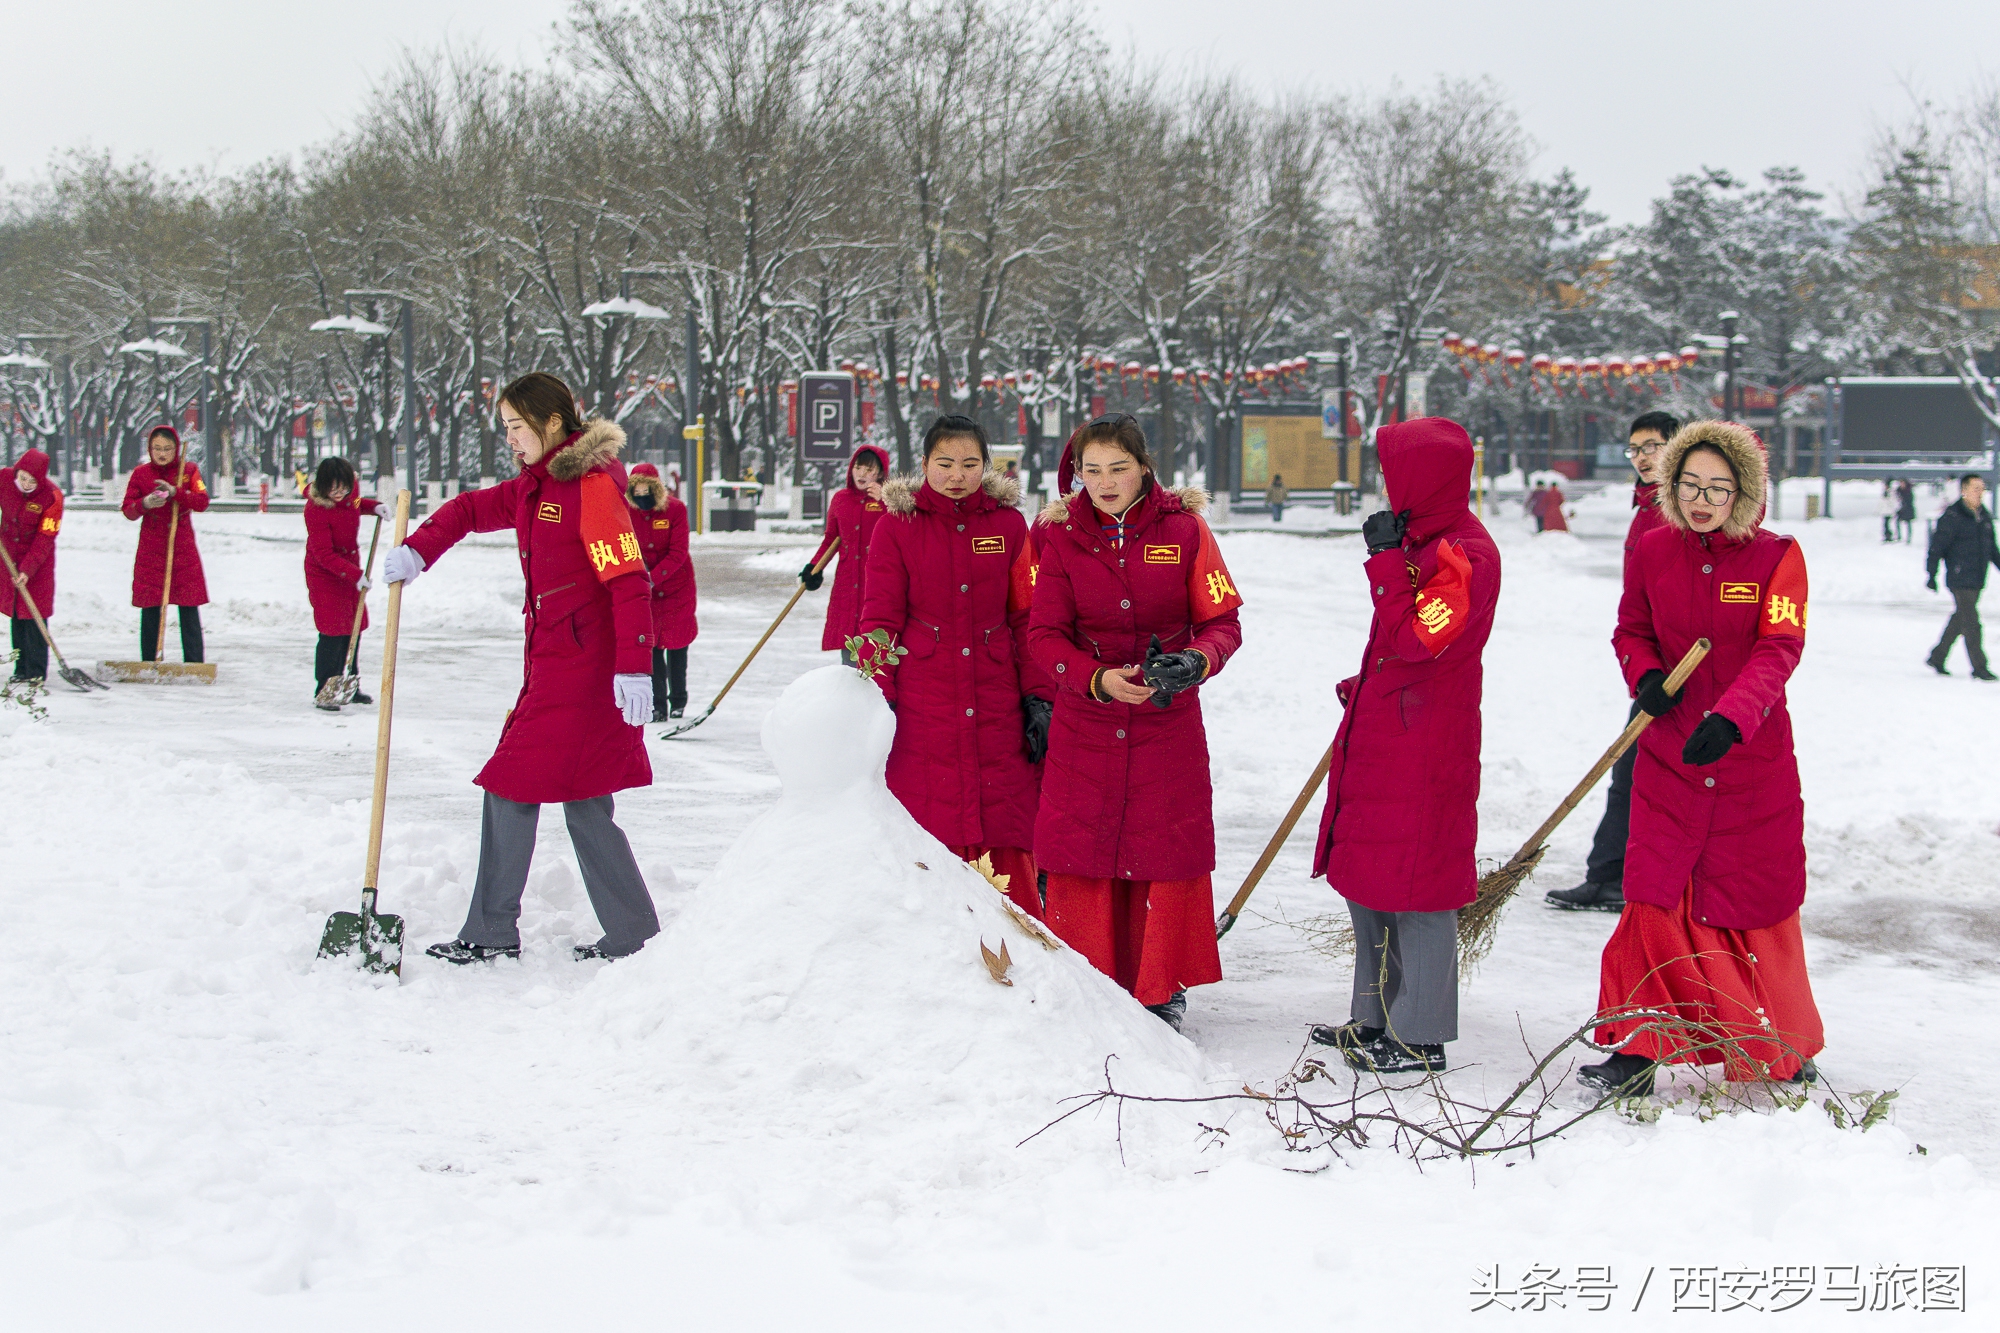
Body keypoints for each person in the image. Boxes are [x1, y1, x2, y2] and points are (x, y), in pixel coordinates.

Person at [383, 372, 662, 964]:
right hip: (557, 662)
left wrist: (635, 666)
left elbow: (628, 580)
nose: (510, 439)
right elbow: (468, 509)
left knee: (511, 783)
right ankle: (636, 934)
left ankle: (491, 930)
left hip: (584, 673)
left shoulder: (590, 488)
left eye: (516, 427)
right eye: (505, 428)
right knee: (587, 801)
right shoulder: (537, 487)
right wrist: (419, 550)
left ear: (552, 424)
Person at [1579, 421, 1823, 1097]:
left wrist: (1733, 717)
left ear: (1744, 491)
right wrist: (1645, 674)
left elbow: (1779, 648)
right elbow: (1631, 626)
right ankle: (1635, 1047)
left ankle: (1780, 1044)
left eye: (1718, 488)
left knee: (1750, 904)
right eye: (1690, 484)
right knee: (1652, 899)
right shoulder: (1654, 549)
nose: (1702, 500)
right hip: (1671, 757)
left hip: (1748, 763)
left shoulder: (1778, 557)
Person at [1026, 413, 1243, 1031]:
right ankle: (1089, 974)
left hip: (1165, 720)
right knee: (1083, 846)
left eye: (1117, 468)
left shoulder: (1187, 529)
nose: (1104, 482)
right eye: (1091, 471)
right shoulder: (1059, 538)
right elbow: (1043, 635)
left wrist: (1196, 661)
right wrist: (1093, 679)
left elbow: (1223, 623)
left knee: (1162, 844)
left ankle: (1159, 985)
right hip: (1085, 723)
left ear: (1144, 468)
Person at [1308, 418, 1500, 1073]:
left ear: (1427, 478)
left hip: (1426, 749)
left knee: (1418, 889)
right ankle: (1372, 1016)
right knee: (1370, 881)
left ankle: (1419, 1035)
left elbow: (1422, 638)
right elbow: (1399, 650)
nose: (1385, 485)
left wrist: (1386, 565)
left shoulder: (1465, 552)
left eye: (1393, 473)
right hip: (1388, 734)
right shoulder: (1420, 540)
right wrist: (1363, 686)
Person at [856, 415, 1045, 920]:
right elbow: (879, 619)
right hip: (925, 697)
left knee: (1002, 814)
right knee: (928, 811)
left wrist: (1038, 696)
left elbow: (1026, 616)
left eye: (969, 464)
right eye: (944, 464)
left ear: (987, 466)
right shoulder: (896, 526)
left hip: (996, 697)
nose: (957, 475)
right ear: (923, 466)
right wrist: (876, 696)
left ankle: (1018, 942)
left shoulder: (1008, 525)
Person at [1548, 410, 1679, 912]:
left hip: (1681, 670)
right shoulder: (1646, 508)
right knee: (1630, 774)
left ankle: (1630, 879)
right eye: (1636, 449)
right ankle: (1609, 876)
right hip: (1652, 668)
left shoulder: (1684, 509)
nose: (1643, 457)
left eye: (1653, 446)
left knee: (1648, 777)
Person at [121, 425, 210, 663]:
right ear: (150, 449)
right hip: (151, 548)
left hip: (182, 547)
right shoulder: (140, 474)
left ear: (177, 448)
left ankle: (194, 662)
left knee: (188, 605)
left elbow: (202, 501)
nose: (162, 453)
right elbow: (128, 510)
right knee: (151, 606)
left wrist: (176, 493)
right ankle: (150, 660)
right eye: (157, 448)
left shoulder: (188, 470)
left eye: (168, 449)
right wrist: (145, 503)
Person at [304, 457, 384, 708]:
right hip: (325, 574)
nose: (340, 494)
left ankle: (350, 684)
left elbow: (355, 504)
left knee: (353, 627)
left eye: (344, 488)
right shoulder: (315, 509)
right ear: (324, 486)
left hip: (348, 570)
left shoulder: (350, 496)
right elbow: (323, 554)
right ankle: (325, 689)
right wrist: (354, 575)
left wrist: (374, 507)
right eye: (333, 489)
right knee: (332, 631)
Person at [803, 444, 891, 662]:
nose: (862, 474)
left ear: (880, 473)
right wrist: (814, 568)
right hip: (848, 582)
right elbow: (831, 539)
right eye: (858, 467)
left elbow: (905, 528)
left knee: (878, 644)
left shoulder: (888, 500)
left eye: (869, 469)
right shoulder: (841, 499)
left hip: (878, 582)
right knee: (850, 644)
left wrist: (887, 499)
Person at [626, 462, 698, 719]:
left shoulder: (676, 510)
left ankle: (678, 700)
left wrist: (653, 578)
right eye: (638, 493)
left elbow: (678, 552)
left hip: (677, 587)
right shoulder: (626, 511)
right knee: (653, 646)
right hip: (646, 589)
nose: (642, 499)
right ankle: (658, 705)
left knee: (678, 644)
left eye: (647, 493)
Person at [1924, 474, 1999, 680]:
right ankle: (1979, 667)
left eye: (1982, 489)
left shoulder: (1983, 516)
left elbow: (1991, 547)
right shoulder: (1952, 517)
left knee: (1961, 618)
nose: (1980, 493)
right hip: (1959, 576)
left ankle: (1937, 657)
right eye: (1975, 488)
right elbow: (1937, 547)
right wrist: (1932, 573)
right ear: (1963, 490)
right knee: (1972, 623)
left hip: (1977, 577)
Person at [1, 448, 62, 685]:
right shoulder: (4, 479)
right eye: (23, 478)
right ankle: (21, 668)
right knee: (17, 613)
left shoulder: (52, 496)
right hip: (8, 558)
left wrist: (27, 569)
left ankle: (36, 671)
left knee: (34, 615)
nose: (26, 484)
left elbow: (46, 536)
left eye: (32, 481)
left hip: (38, 564)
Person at [1896, 479, 1916, 544]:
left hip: (1908, 509)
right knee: (1897, 522)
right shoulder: (1898, 491)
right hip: (1901, 509)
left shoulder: (1908, 491)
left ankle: (1908, 538)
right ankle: (1899, 536)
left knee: (1908, 524)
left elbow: (1910, 500)